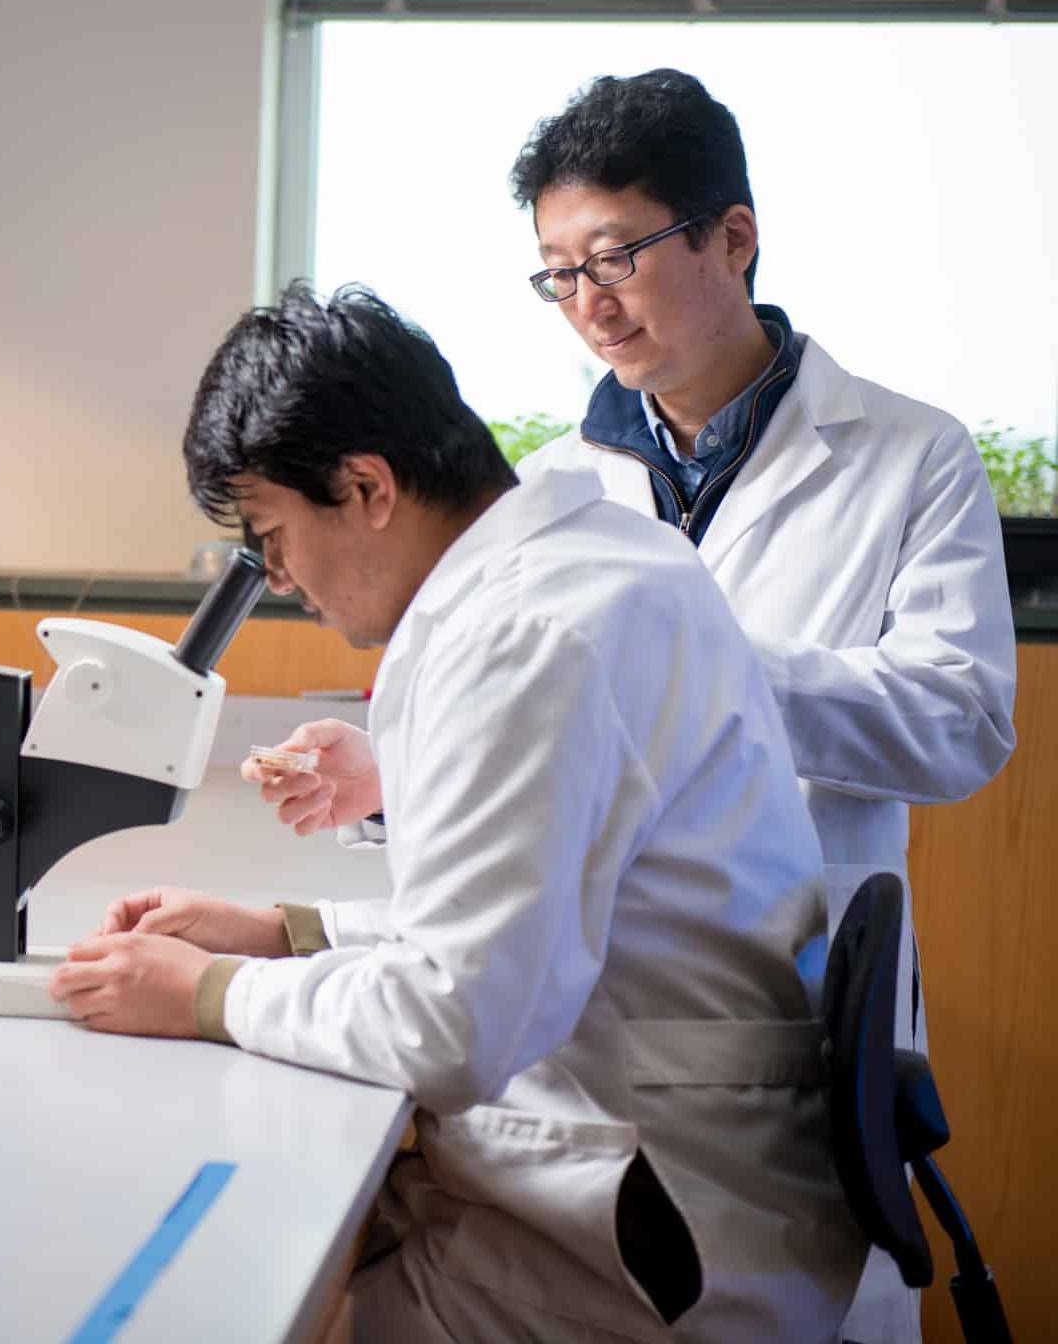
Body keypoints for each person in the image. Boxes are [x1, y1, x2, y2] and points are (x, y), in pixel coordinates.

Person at [49, 285, 867, 1340]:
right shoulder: (578, 569)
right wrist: (294, 931)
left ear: (365, 486)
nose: (281, 578)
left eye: (272, 535)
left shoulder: (529, 633)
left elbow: (453, 1025)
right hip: (639, 1153)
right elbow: (537, 910)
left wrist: (210, 991)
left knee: (233, 1296)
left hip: (642, 1233)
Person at [508, 68, 1017, 1343]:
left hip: (796, 1016)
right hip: (589, 1022)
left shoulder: (911, 452)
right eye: (557, 270)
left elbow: (960, 721)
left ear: (732, 235)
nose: (588, 301)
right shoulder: (549, 488)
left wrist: (708, 669)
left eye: (615, 253)